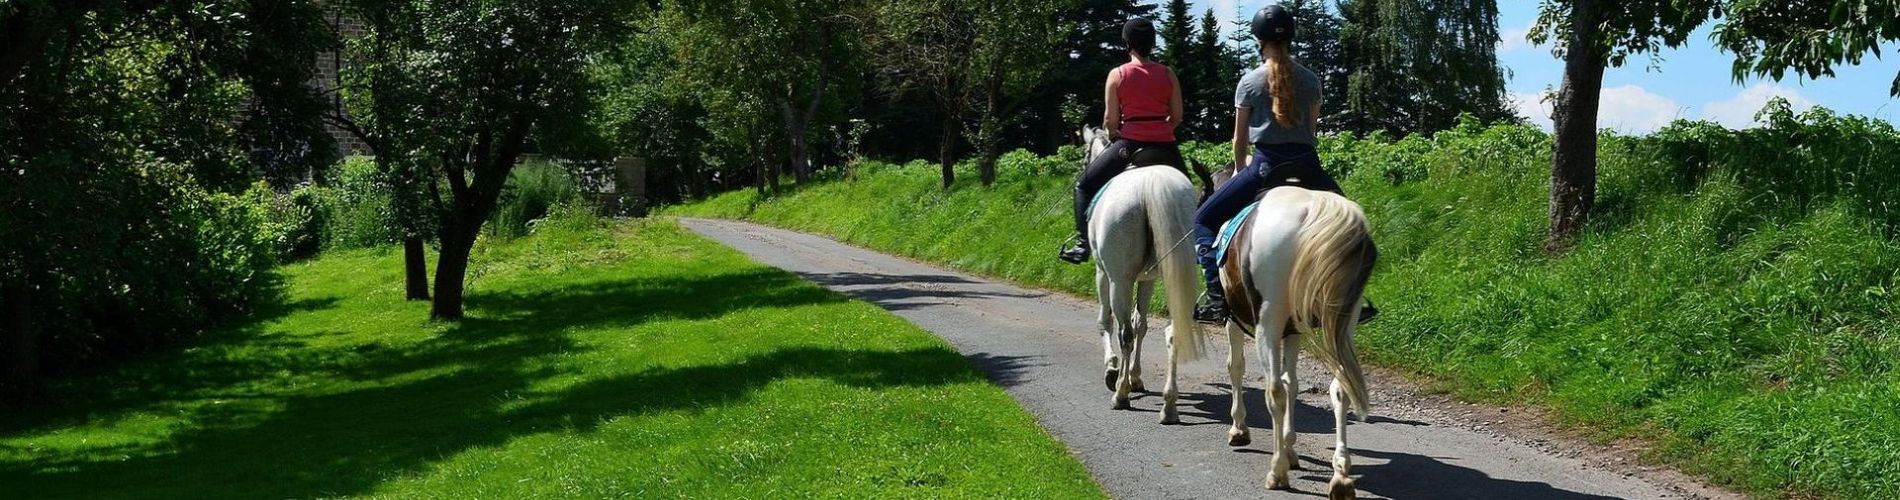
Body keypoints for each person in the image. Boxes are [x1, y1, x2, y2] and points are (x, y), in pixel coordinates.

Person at [1191, 5, 1376, 323]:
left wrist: (1239, 170)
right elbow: (1312, 128)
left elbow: (1240, 140)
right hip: (1308, 167)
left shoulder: (1249, 82)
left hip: (1264, 168)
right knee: (1354, 229)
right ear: (1291, 37)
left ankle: (1216, 300)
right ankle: (1351, 301)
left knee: (1203, 220)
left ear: (1258, 40)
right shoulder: (1310, 80)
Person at [1057, 17, 1187, 264]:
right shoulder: (1168, 74)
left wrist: (1116, 132)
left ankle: (1083, 245)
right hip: (1166, 148)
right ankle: (1195, 247)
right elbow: (1177, 116)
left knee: (1082, 186)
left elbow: (1110, 121)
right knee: (1190, 193)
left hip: (1129, 145)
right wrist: (1160, 130)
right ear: (1152, 43)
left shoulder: (1117, 75)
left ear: (1127, 43)